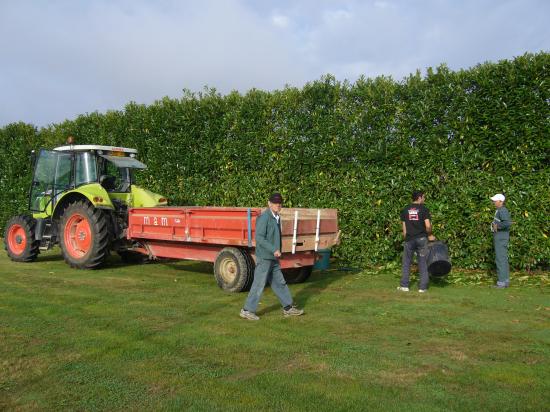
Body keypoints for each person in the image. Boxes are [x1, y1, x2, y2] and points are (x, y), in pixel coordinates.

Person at [240, 193, 304, 320]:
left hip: (273, 258)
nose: (277, 205)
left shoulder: (277, 217)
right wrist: (274, 249)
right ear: (269, 203)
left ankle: (288, 308)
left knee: (280, 283)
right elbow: (259, 238)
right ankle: (247, 310)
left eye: (279, 203)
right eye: (275, 203)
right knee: (258, 284)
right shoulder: (264, 218)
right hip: (264, 257)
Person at [397, 191, 436, 293]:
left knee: (406, 262)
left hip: (409, 239)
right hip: (422, 239)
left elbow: (404, 230)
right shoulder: (424, 209)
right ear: (419, 198)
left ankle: (405, 286)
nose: (424, 199)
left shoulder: (405, 210)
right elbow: (427, 226)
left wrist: (407, 238)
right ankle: (422, 288)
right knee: (422, 262)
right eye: (423, 197)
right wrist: (430, 235)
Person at [490, 193, 511, 288]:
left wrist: (497, 226)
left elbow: (507, 223)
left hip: (501, 237)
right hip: (500, 236)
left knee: (500, 259)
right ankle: (505, 281)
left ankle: (501, 283)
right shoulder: (500, 210)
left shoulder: (502, 210)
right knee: (503, 258)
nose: (493, 202)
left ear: (501, 201)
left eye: (495, 200)